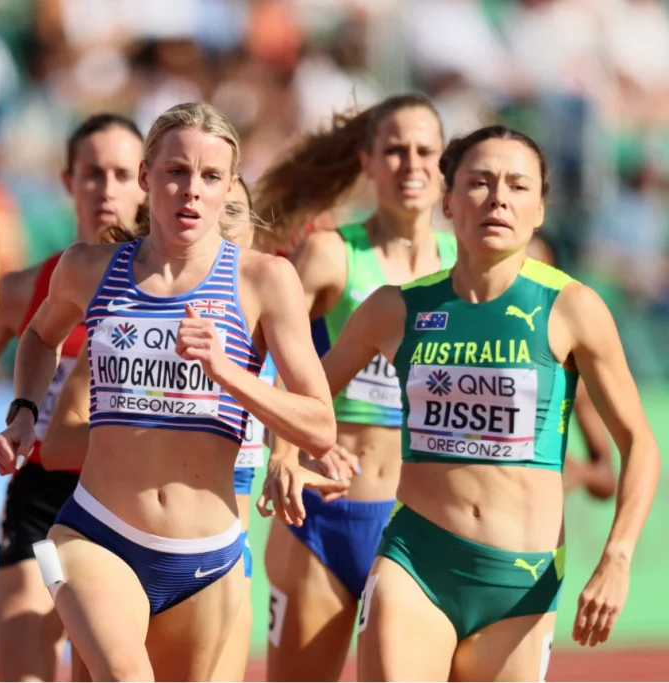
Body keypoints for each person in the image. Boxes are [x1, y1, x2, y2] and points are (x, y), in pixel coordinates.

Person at [269, 124, 660, 682]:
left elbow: (639, 445)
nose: (498, 197)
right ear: (447, 202)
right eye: (479, 182)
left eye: (517, 185)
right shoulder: (395, 309)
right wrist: (285, 456)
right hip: (415, 560)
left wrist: (617, 556)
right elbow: (305, 397)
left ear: (541, 209)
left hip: (522, 582)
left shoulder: (572, 308)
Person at [0, 102, 347, 683]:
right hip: (94, 532)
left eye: (210, 177)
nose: (191, 191)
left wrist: (229, 371)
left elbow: (318, 425)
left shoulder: (265, 281)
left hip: (208, 558)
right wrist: (25, 412)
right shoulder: (87, 269)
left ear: (229, 186)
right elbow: (37, 336)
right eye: (176, 172)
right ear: (146, 177)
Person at [252, 93, 456, 682]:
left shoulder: (463, 268)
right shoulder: (333, 254)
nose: (410, 164)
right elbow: (256, 356)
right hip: (322, 516)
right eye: (393, 151)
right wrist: (283, 451)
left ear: (444, 164)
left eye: (424, 151)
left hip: (419, 528)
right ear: (366, 161)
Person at [39, 177, 272, 683]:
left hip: (220, 559)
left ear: (252, 229)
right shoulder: (126, 323)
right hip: (109, 535)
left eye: (235, 211)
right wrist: (144, 429)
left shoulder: (270, 327)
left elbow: (307, 421)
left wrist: (292, 462)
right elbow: (56, 444)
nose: (220, 218)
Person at [0, 113, 146, 683]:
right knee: (23, 667)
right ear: (68, 182)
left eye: (122, 173)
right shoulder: (24, 290)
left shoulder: (168, 285)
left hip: (130, 494)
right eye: (92, 173)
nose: (106, 188)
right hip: (42, 490)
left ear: (145, 181)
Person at [526, 233, 616, 501]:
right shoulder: (461, 343)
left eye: (538, 277)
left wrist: (580, 472)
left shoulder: (568, 370)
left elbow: (607, 480)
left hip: (532, 532)